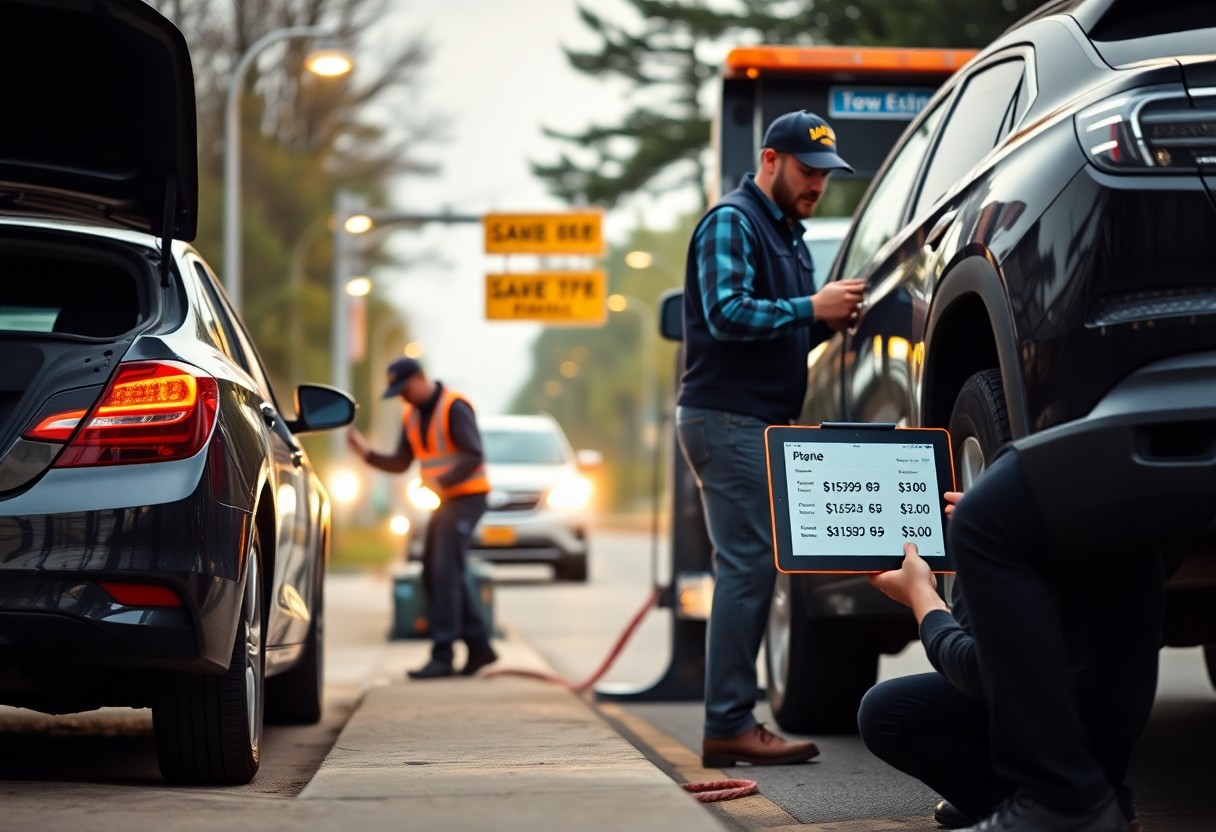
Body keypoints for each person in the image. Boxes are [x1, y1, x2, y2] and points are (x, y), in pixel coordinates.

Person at [675, 109, 867, 767]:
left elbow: (782, 329)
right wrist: (813, 307)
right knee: (747, 565)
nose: (818, 184)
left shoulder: (788, 235)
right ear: (769, 160)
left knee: (751, 564)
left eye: (826, 175)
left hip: (749, 419)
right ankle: (729, 723)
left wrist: (828, 319)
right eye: (807, 170)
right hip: (727, 416)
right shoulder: (733, 220)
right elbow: (726, 313)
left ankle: (731, 720)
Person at [862, 456, 1161, 832]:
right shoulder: (1111, 511)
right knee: (886, 709)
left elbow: (979, 671)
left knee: (888, 713)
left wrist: (923, 597)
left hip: (1077, 720)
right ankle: (1017, 802)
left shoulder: (1008, 532)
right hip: (1093, 706)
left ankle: (1060, 805)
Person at [347, 356, 499, 680]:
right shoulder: (412, 415)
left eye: (405, 390)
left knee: (445, 572)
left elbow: (473, 454)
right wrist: (367, 454)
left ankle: (443, 654)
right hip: (444, 502)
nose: (403, 398)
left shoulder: (454, 407)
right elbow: (402, 462)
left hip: (468, 498)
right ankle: (479, 646)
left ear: (419, 378)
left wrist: (441, 482)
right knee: (435, 570)